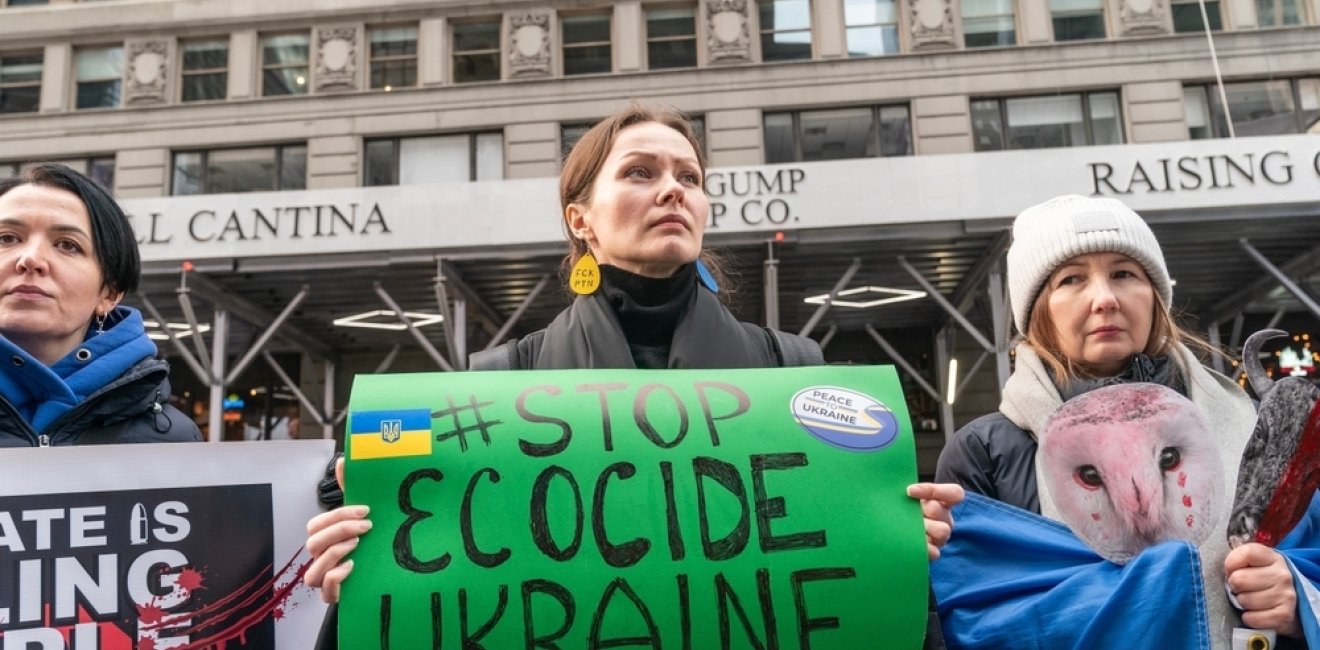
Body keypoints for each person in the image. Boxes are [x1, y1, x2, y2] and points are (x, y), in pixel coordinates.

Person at [305, 103, 964, 648]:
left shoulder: (796, 371)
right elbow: (388, 503)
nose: (674, 189)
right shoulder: (495, 383)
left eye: (690, 177)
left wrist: (893, 533)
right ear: (580, 219)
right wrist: (359, 544)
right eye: (640, 173)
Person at [932, 194, 1320, 648]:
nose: (1105, 299)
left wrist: (1300, 599)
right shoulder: (986, 452)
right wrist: (897, 555)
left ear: (1155, 296)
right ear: (1038, 311)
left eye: (1124, 274)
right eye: (1071, 279)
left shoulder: (1261, 428)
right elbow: (963, 622)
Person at [0, 163, 201, 447]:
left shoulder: (171, 438)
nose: (30, 259)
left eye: (68, 245)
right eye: (6, 238)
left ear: (110, 293)